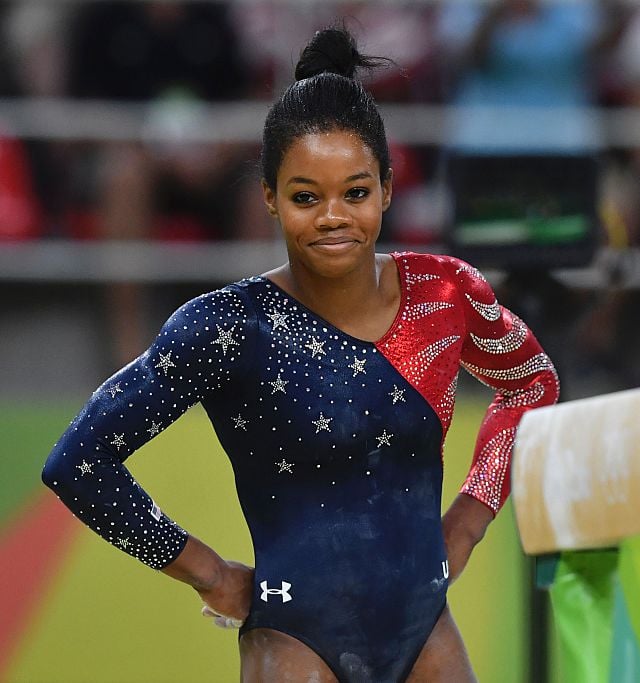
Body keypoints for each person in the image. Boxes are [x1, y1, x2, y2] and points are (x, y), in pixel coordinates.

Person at [41, 27, 559, 683]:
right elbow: (78, 460)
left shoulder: (444, 292)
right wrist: (204, 569)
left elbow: (531, 382)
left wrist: (471, 515)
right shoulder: (228, 327)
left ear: (389, 188)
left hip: (426, 629)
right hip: (295, 639)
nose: (334, 217)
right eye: (306, 196)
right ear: (269, 197)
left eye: (357, 192)